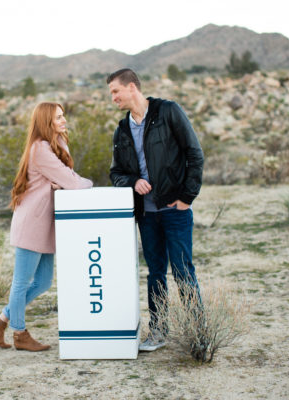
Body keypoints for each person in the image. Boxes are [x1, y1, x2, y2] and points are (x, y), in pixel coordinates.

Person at [107, 68, 204, 352]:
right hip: (147, 216)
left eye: (115, 91)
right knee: (156, 274)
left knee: (183, 271)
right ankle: (159, 331)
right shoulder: (122, 129)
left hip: (175, 209)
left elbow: (194, 153)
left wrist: (187, 196)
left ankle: (199, 334)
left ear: (132, 87)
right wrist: (133, 181)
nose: (113, 98)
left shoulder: (168, 112)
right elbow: (116, 173)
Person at [0, 102, 93, 351]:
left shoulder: (54, 145)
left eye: (64, 115)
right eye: (58, 117)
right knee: (21, 282)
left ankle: (0, 321)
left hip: (44, 226)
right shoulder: (41, 149)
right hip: (32, 224)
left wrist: (63, 182)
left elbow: (62, 180)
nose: (64, 120)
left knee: (43, 282)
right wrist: (86, 183)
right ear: (46, 122)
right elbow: (71, 182)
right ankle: (19, 334)